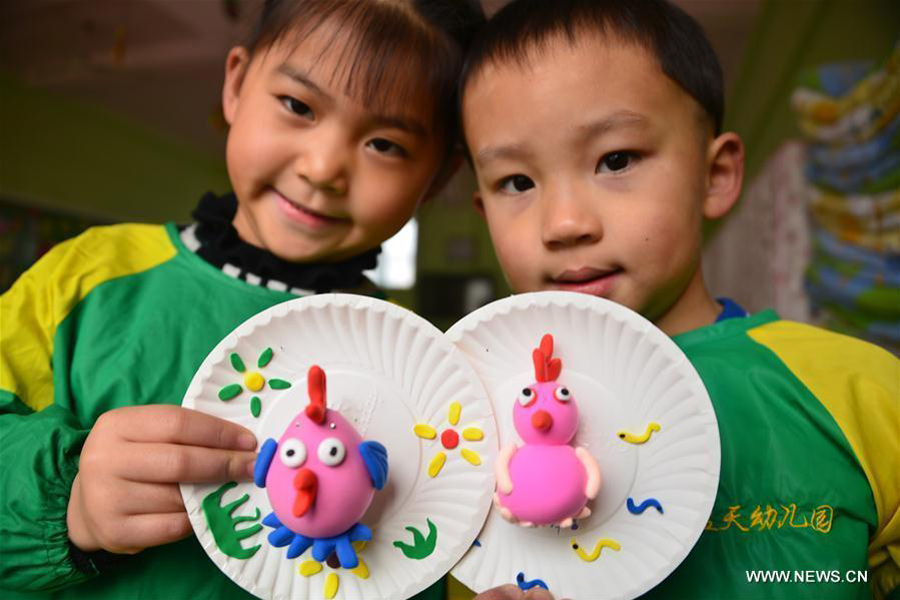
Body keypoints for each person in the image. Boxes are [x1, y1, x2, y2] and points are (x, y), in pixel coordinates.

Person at [0, 1, 483, 599]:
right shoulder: (90, 276)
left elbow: (418, 557)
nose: (324, 167)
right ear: (235, 84)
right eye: (299, 106)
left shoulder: (419, 365)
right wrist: (68, 503)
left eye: (385, 144)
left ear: (435, 179)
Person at [458, 1, 899, 599]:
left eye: (616, 160)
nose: (563, 223)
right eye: (517, 182)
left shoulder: (861, 391)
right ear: (484, 211)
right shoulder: (463, 422)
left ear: (715, 176)